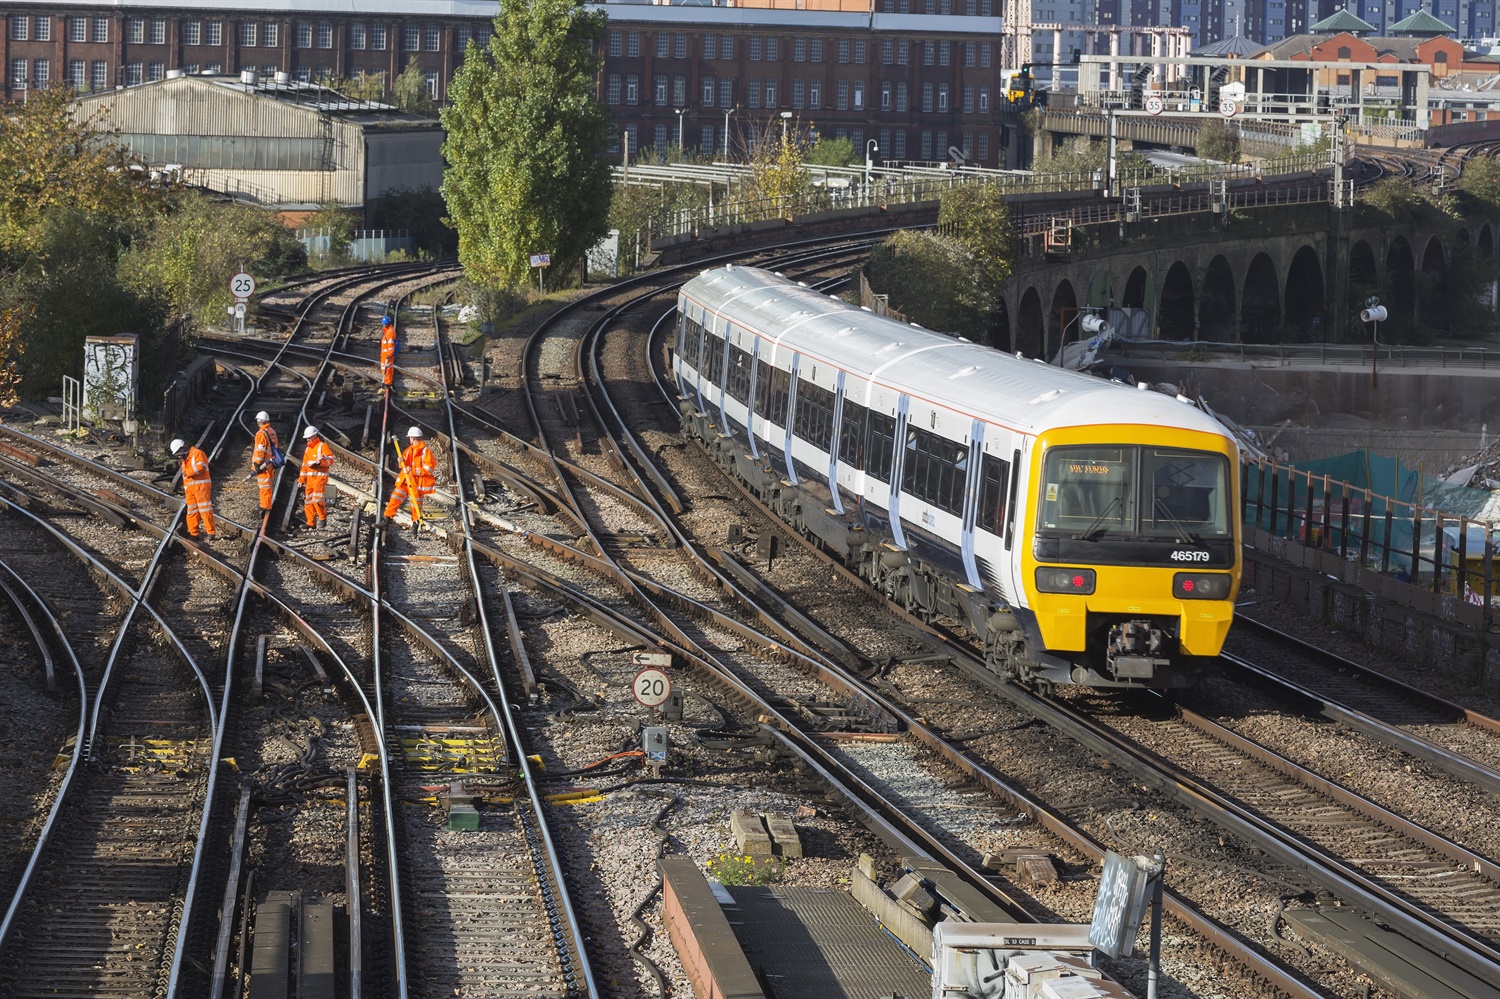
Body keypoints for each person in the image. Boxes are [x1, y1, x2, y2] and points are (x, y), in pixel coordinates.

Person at [382, 426, 436, 528]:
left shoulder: (425, 451)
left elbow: (429, 468)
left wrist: (414, 471)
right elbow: (404, 465)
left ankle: (416, 524)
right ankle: (386, 519)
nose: (410, 440)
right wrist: (400, 461)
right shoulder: (409, 450)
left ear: (413, 438)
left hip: (416, 482)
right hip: (406, 480)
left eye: (410, 438)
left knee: (415, 505)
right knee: (395, 498)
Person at [170, 438, 216, 539]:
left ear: (182, 449)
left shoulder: (197, 453)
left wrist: (189, 472)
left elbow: (202, 467)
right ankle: (193, 533)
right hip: (190, 490)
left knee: (205, 510)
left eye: (178, 453)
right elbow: (185, 477)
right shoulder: (184, 460)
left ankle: (210, 532)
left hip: (201, 487)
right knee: (191, 511)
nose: (178, 456)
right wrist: (186, 489)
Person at [297, 425, 335, 529]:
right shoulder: (308, 449)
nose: (308, 439)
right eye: (307, 438)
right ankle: (310, 522)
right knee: (308, 501)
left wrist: (320, 463)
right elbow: (304, 466)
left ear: (315, 435)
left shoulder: (322, 446)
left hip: (319, 478)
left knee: (317, 500)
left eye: (310, 437)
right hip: (310, 479)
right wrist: (301, 480)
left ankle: (322, 518)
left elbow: (330, 460)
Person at [251, 410, 279, 512]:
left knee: (264, 486)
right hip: (270, 462)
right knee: (267, 485)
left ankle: (265, 506)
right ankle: (267, 503)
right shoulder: (271, 431)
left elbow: (260, 450)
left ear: (259, 421)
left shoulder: (261, 434)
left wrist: (257, 463)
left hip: (264, 464)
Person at [380, 314, 397, 389]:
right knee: (386, 367)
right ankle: (387, 381)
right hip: (385, 353)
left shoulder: (389, 332)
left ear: (388, 324)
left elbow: (391, 345)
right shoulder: (388, 331)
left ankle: (387, 383)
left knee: (387, 368)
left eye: (385, 324)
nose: (384, 325)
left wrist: (389, 354)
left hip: (387, 354)